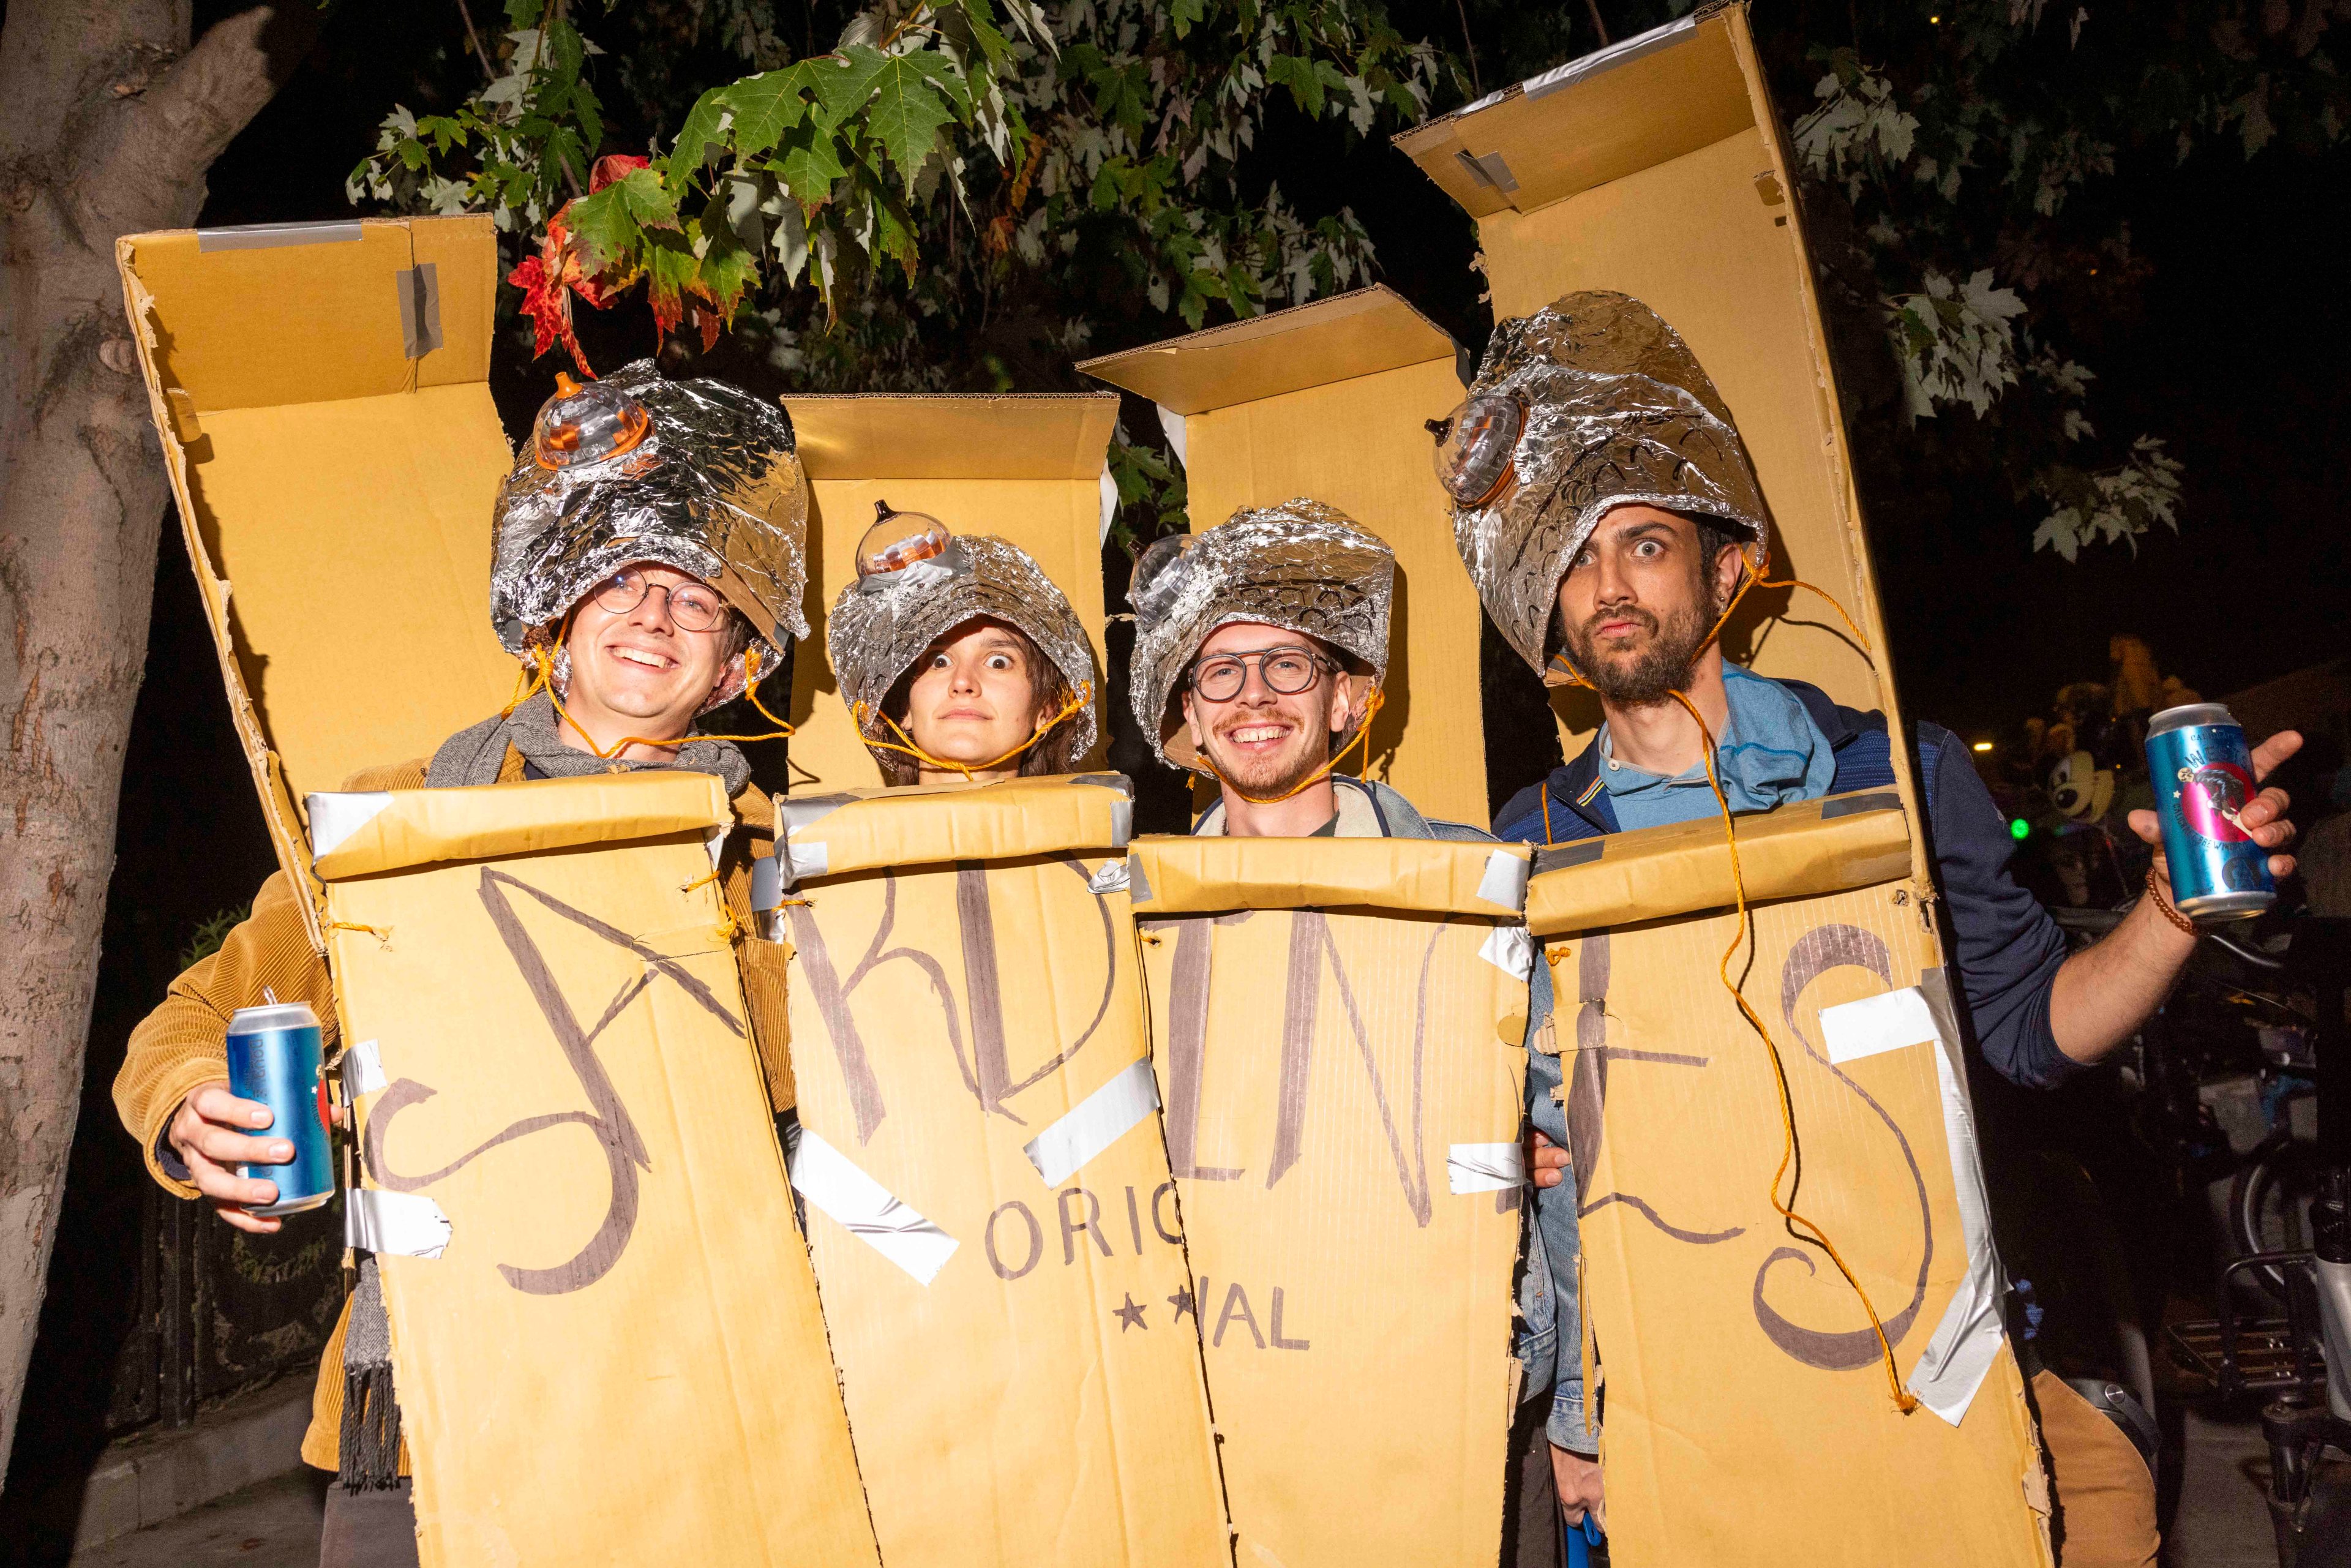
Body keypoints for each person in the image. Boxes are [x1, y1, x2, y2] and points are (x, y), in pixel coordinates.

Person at [1433, 290, 2301, 1567]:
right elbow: (1521, 1113)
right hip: (1684, 1402)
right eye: (1573, 557)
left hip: (1917, 1371)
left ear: (1726, 569)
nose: (1606, 584)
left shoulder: (1891, 772)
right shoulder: (1531, 836)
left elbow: (2027, 1034)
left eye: (1645, 543)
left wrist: (2172, 911)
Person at [111, 363, 811, 1567]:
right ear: (553, 614)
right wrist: (187, 1106)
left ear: (740, 660)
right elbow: (196, 1014)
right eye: (620, 579)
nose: (653, 613)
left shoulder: (788, 868)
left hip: (701, 1414)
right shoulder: (403, 815)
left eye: (697, 597)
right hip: (432, 1414)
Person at [826, 503, 1097, 784]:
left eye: (998, 662)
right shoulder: (835, 829)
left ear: (1046, 710)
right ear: (904, 709)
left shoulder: (1092, 829)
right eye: (939, 661)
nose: (963, 682)